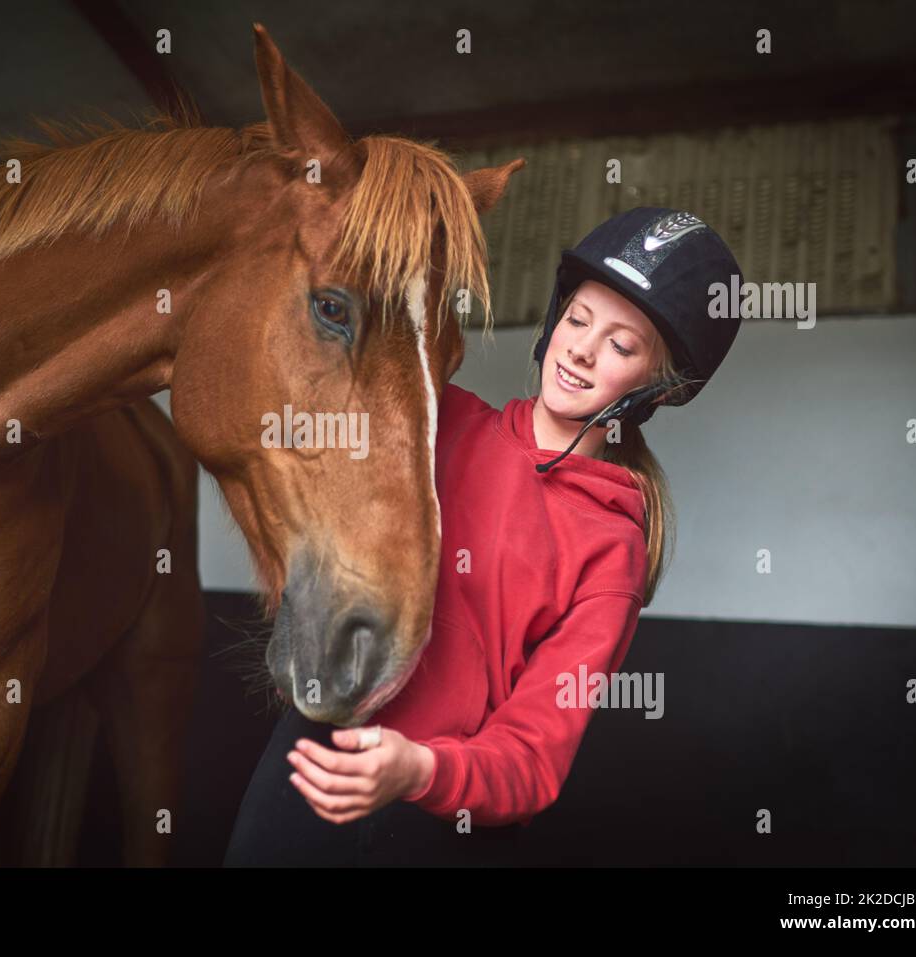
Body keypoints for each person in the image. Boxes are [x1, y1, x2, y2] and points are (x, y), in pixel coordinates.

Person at [223, 207, 744, 867]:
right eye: (578, 320)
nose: (580, 348)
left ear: (660, 389)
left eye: (620, 344)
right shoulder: (441, 416)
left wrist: (418, 769)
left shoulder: (615, 551)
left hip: (436, 819)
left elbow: (532, 759)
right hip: (311, 763)